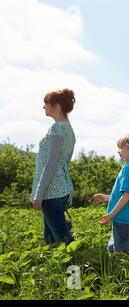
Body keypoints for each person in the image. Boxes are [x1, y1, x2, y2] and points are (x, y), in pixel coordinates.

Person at [31, 89, 76, 245]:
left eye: (46, 104)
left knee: (63, 241)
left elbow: (50, 164)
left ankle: (77, 269)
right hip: (62, 188)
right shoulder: (69, 130)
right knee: (51, 240)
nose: (44, 107)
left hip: (52, 192)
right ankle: (61, 268)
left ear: (56, 106)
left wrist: (39, 194)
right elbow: (65, 163)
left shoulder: (57, 128)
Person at [92, 133, 129, 258]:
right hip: (122, 218)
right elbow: (121, 195)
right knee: (113, 249)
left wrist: (110, 215)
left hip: (123, 218)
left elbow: (126, 196)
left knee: (124, 256)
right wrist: (105, 198)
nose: (118, 151)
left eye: (121, 148)